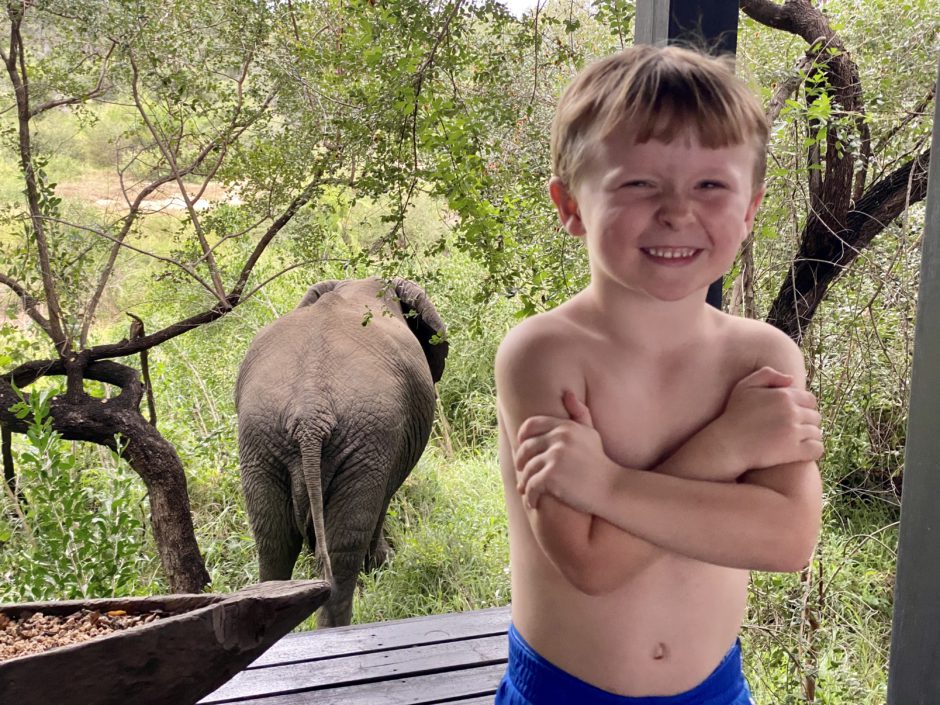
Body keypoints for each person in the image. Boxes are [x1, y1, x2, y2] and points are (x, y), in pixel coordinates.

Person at [494, 44, 824, 705]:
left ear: (751, 208)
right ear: (571, 205)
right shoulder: (543, 353)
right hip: (563, 692)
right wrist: (727, 446)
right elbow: (589, 560)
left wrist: (608, 486)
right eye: (638, 183)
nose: (678, 211)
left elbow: (788, 537)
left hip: (715, 690)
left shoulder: (763, 359)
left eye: (710, 185)